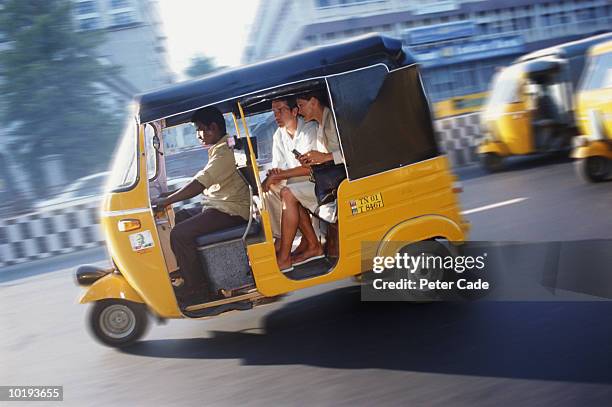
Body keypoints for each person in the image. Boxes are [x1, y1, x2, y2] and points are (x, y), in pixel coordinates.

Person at [152, 106, 250, 303]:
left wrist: (166, 201)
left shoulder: (224, 153)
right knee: (181, 216)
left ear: (212, 128)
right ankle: (196, 273)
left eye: (199, 129)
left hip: (231, 211)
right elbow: (200, 180)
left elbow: (199, 185)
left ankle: (198, 289)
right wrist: (167, 195)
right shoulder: (220, 148)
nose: (198, 135)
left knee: (179, 234)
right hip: (221, 205)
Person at [276, 90, 344, 270]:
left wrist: (325, 157)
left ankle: (285, 255)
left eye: (301, 105)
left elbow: (352, 153)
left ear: (313, 102)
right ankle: (308, 245)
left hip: (341, 184)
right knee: (288, 189)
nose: (299, 110)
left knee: (288, 192)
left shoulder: (332, 121)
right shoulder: (322, 123)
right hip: (330, 179)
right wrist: (315, 158)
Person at [261, 97, 317, 252]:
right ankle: (282, 235)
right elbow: (279, 169)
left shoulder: (309, 129)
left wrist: (280, 175)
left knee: (288, 191)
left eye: (281, 110)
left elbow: (310, 168)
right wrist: (274, 174)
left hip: (316, 179)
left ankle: (307, 243)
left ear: (294, 111)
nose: (276, 116)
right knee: (268, 190)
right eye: (274, 112)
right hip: (295, 180)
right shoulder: (278, 135)